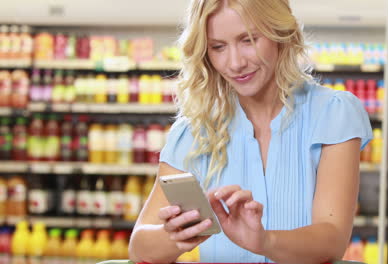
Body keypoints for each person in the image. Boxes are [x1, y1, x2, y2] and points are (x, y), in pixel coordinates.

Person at [129, 0, 373, 263]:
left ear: (280, 34)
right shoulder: (195, 129)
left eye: (248, 40)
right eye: (218, 47)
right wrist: (178, 234)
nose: (235, 63)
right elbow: (139, 246)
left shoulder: (332, 113)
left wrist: (264, 241)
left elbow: (332, 239)